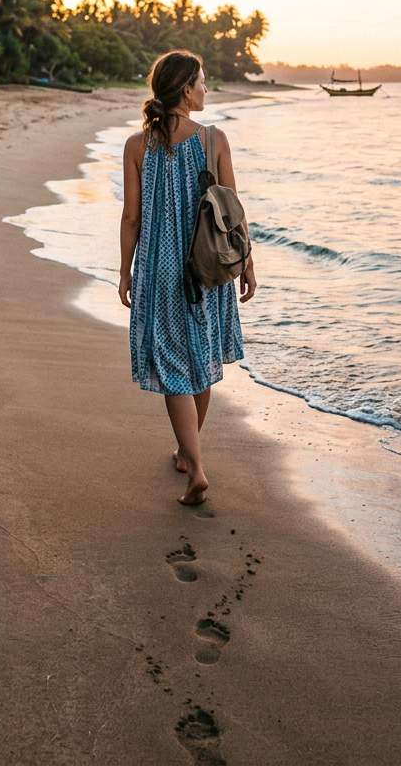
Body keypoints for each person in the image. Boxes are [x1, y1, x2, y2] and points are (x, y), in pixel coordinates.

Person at [119, 50, 257, 505]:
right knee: (199, 366)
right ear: (184, 90)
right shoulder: (214, 139)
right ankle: (189, 456)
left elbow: (132, 219)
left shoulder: (137, 146)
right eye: (201, 81)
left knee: (175, 368)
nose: (205, 89)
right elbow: (232, 209)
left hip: (159, 273)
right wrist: (248, 263)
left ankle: (191, 461)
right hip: (208, 270)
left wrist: (125, 271)